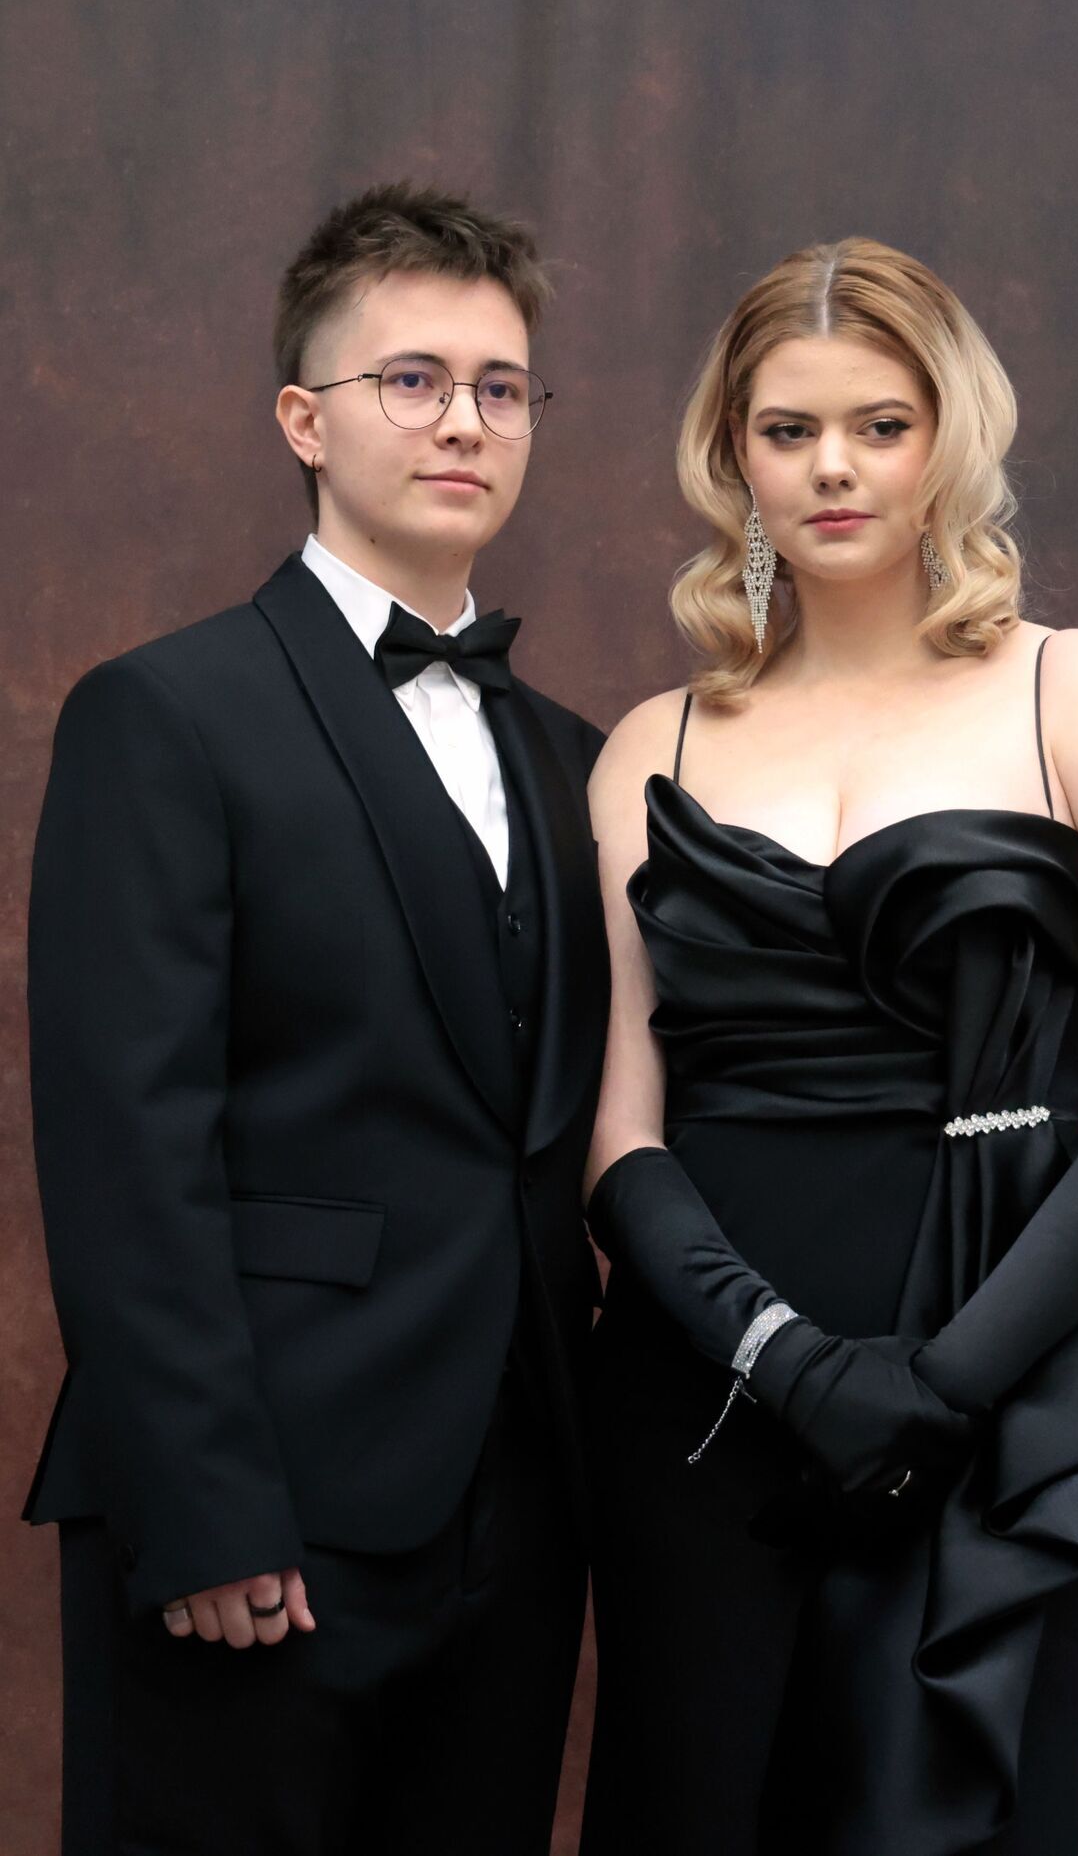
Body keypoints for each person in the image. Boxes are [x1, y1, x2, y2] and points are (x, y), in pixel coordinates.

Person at [578, 238, 1078, 1856]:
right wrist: (791, 1365)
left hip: (1001, 1382)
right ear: (733, 454)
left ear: (951, 437)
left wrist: (940, 1385)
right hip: (710, 1396)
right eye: (788, 428)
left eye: (881, 424)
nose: (835, 466)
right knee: (693, 1808)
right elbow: (621, 1138)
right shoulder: (651, 745)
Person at [24, 181, 609, 1856]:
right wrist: (202, 1506)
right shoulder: (163, 713)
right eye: (411, 379)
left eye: (501, 387)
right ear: (305, 419)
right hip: (261, 1511)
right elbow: (124, 1146)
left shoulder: (576, 756)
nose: (464, 421)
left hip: (522, 1505)